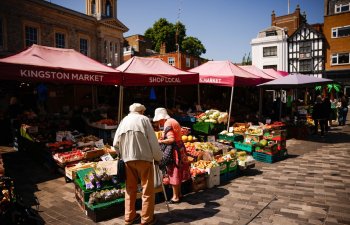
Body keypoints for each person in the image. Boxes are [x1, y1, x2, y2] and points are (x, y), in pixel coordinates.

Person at [113, 103, 163, 225]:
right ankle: (146, 219)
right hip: (144, 159)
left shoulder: (124, 120)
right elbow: (153, 141)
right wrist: (158, 157)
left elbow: (115, 143)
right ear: (141, 111)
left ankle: (129, 217)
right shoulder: (144, 120)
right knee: (147, 189)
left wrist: (121, 154)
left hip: (127, 160)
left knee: (130, 189)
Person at [153, 107, 191, 204]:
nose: (158, 123)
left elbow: (171, 139)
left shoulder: (167, 123)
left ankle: (175, 197)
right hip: (180, 148)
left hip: (174, 151)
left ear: (162, 118)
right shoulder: (173, 120)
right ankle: (179, 194)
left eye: (158, 120)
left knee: (174, 172)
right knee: (178, 171)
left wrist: (159, 141)